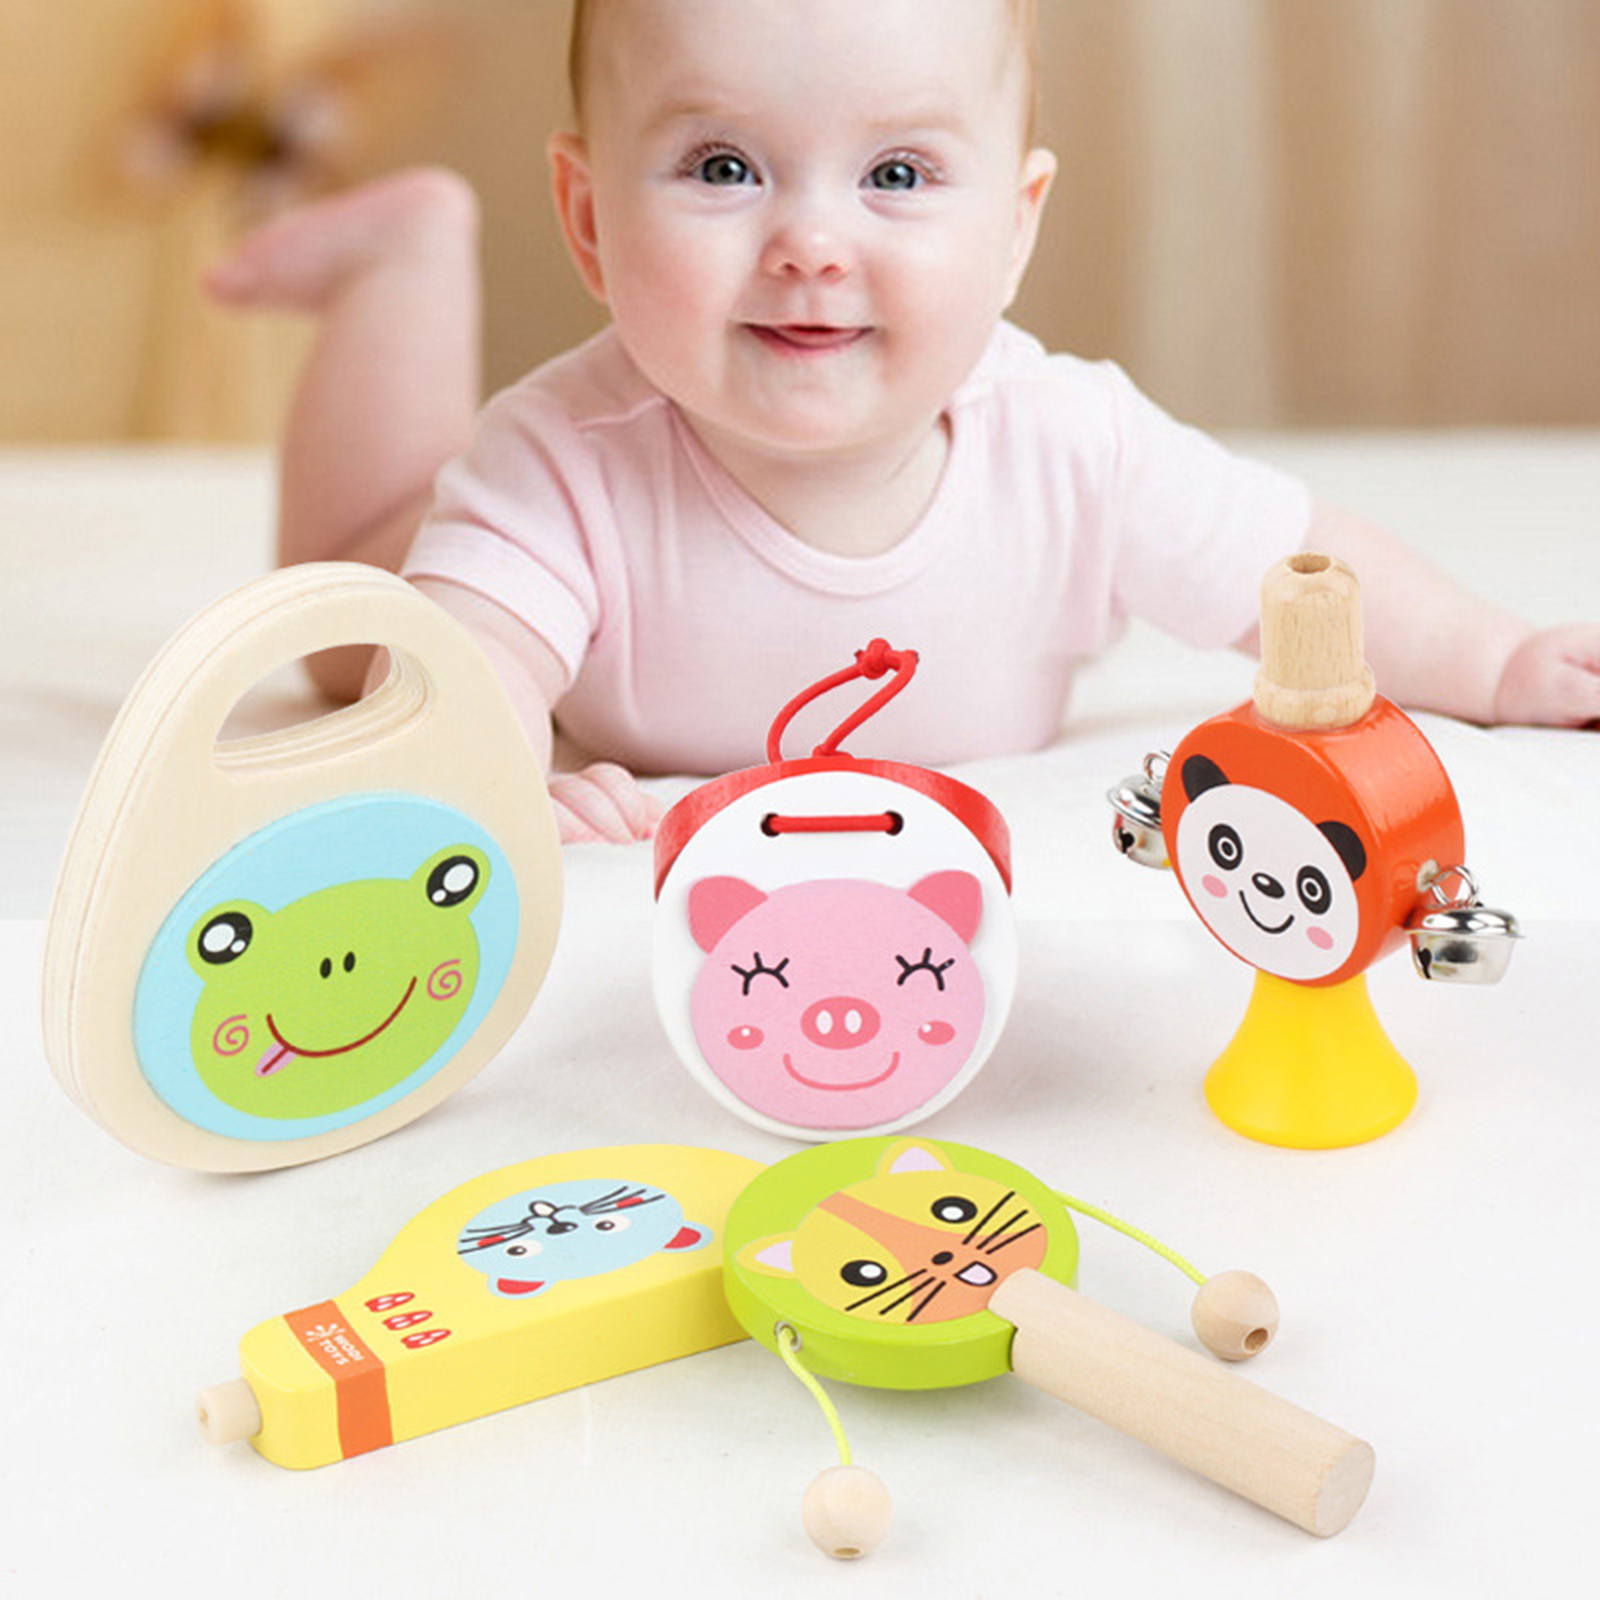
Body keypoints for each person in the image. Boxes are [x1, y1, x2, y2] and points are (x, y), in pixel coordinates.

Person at [206, 0, 1600, 843]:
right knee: (344, 641)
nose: (812, 242)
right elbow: (473, 671)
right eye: (724, 166)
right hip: (437, 546)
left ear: (1015, 228)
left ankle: (408, 254)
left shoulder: (1073, 450)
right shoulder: (562, 460)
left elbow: (1295, 572)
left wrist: (1495, 659)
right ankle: (404, 266)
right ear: (589, 220)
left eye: (897, 174)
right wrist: (495, 788)